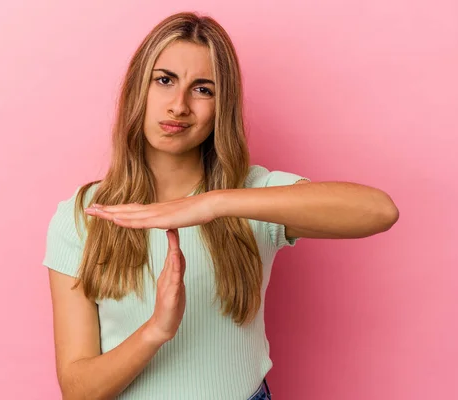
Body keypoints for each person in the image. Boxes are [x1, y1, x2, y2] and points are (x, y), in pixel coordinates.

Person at [42, 11, 399, 400]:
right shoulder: (83, 216)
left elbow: (379, 211)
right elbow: (78, 391)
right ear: (137, 89)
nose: (179, 106)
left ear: (221, 106)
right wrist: (156, 331)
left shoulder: (252, 195)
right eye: (165, 81)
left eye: (203, 89)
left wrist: (214, 203)